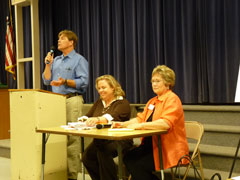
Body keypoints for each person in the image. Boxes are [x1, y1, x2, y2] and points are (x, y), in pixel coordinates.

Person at [112, 65, 189, 180]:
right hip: (151, 145)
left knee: (138, 165)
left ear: (168, 83)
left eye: (158, 81)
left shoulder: (172, 99)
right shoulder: (152, 101)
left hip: (167, 148)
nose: (154, 84)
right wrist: (123, 124)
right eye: (152, 81)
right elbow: (140, 118)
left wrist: (141, 126)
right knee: (128, 158)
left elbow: (165, 124)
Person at [42, 30, 89, 180]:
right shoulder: (55, 60)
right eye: (58, 38)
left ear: (71, 42)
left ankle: (72, 176)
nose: (59, 41)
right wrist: (48, 65)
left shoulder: (79, 60)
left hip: (72, 100)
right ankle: (58, 171)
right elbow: (46, 81)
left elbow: (84, 82)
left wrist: (65, 82)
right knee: (57, 137)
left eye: (62, 38)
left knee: (72, 138)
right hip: (55, 101)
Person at [80, 75, 133, 180]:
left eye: (104, 88)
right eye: (99, 88)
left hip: (120, 139)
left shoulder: (123, 103)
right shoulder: (100, 102)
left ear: (113, 87)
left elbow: (111, 117)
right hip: (102, 139)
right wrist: (81, 120)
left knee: (103, 152)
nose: (101, 91)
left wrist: (97, 119)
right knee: (87, 157)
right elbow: (88, 115)